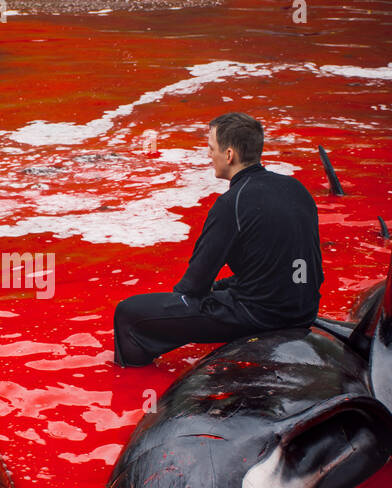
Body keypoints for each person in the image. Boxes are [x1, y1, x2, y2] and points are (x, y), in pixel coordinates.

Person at [113, 112, 323, 366]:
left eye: (211, 148)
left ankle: (135, 385)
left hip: (262, 317)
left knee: (128, 314)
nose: (209, 155)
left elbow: (193, 286)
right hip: (304, 310)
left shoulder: (231, 203)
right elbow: (297, 264)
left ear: (230, 155)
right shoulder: (295, 188)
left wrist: (176, 308)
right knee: (222, 287)